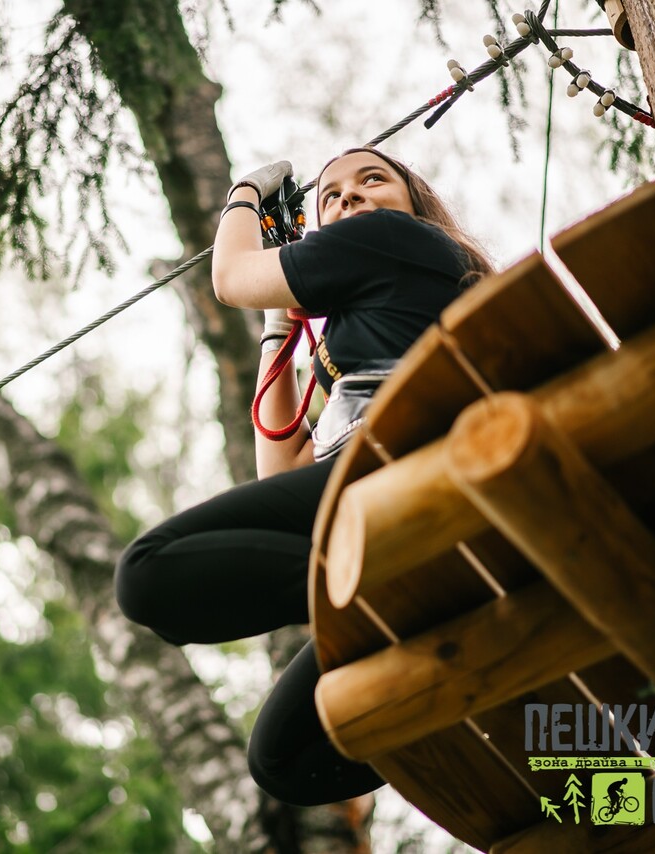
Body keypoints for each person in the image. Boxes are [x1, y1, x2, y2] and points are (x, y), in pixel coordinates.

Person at [114, 148, 494, 806]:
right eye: (331, 196)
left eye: (371, 180)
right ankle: (426, 650)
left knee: (148, 571)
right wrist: (278, 331)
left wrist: (244, 194)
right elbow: (280, 469)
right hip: (368, 486)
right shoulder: (362, 335)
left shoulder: (393, 239)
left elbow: (230, 277)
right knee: (282, 760)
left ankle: (378, 582)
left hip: (395, 469)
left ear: (414, 201)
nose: (348, 198)